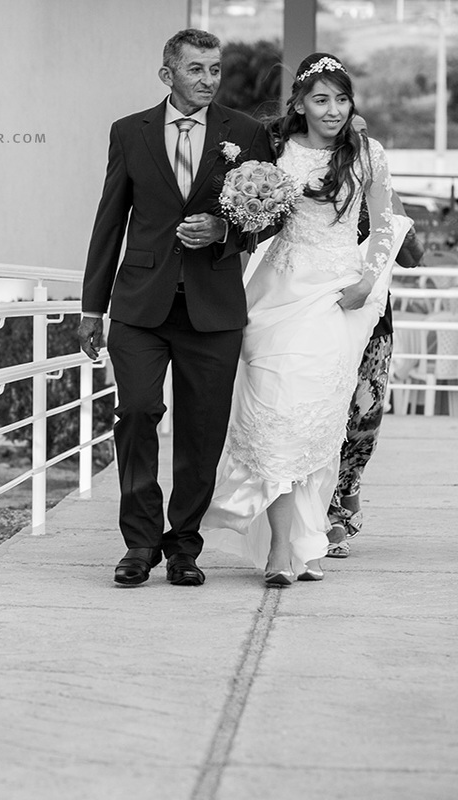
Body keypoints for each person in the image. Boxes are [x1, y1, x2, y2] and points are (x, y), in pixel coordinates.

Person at [79, 29, 275, 587]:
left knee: (202, 432)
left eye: (214, 69)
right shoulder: (129, 132)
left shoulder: (246, 133)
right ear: (168, 75)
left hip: (213, 310)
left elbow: (271, 215)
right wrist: (92, 308)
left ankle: (184, 544)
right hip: (141, 305)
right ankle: (140, 542)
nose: (209, 79)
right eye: (196, 70)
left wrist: (224, 230)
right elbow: (109, 220)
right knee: (136, 414)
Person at [200, 53, 404, 585]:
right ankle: (282, 551)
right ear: (300, 104)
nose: (333, 109)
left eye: (342, 99)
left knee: (314, 422)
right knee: (277, 414)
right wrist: (245, 211)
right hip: (277, 292)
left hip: (338, 296)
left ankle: (302, 546)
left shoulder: (367, 154)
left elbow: (385, 225)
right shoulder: (275, 149)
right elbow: (258, 221)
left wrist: (367, 280)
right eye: (321, 99)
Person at [327, 188, 425, 558]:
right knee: (326, 412)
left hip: (375, 322)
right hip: (321, 313)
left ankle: (350, 481)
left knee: (365, 417)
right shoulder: (316, 182)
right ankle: (329, 514)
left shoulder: (382, 190)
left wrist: (402, 228)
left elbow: (414, 259)